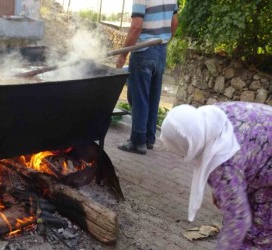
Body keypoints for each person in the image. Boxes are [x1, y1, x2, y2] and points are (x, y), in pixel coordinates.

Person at [160, 101, 272, 249]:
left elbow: (238, 219)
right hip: (264, 152)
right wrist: (223, 190)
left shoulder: (223, 165)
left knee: (259, 235)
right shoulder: (213, 115)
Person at [116, 0, 179, 155]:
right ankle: (149, 139)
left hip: (143, 52)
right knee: (152, 97)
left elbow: (136, 27)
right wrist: (162, 42)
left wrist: (123, 54)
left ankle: (138, 141)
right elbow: (174, 23)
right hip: (161, 51)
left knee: (139, 98)